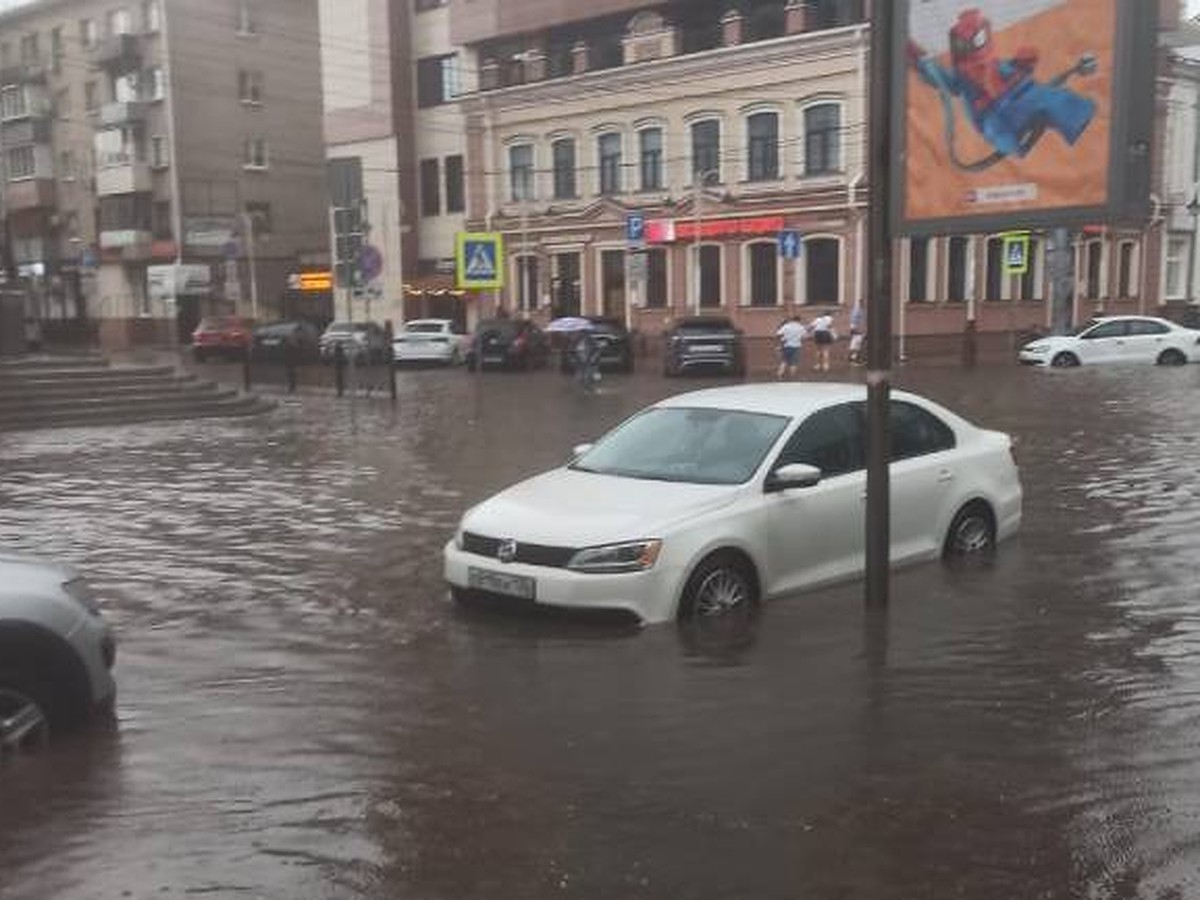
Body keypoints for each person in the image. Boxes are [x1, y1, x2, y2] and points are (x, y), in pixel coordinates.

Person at [775, 315, 805, 380]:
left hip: (786, 345)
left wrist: (781, 342)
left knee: (784, 361)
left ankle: (779, 374)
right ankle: (792, 376)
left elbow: (778, 334)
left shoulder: (786, 326)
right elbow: (803, 337)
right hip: (796, 346)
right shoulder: (801, 327)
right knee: (794, 362)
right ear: (799, 320)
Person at [848, 301, 864, 366]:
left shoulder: (858, 310)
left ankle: (854, 359)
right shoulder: (857, 310)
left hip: (858, 331)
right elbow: (854, 320)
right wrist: (854, 329)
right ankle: (852, 360)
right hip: (857, 331)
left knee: (857, 345)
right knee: (856, 345)